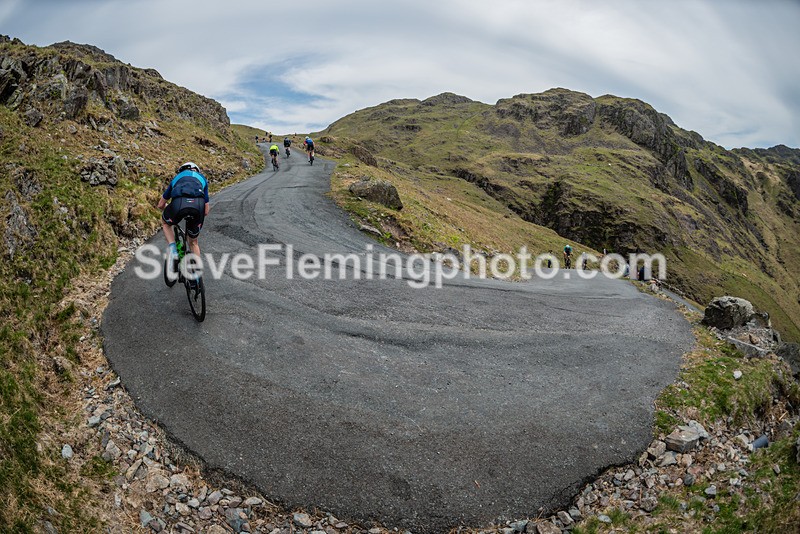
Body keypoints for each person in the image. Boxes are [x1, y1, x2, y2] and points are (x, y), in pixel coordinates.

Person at [158, 162, 209, 282]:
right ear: (197, 170)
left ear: (181, 170)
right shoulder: (202, 179)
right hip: (198, 206)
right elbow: (206, 211)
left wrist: (168, 209)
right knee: (193, 242)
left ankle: (173, 250)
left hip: (178, 204)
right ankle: (197, 277)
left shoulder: (177, 178)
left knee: (166, 223)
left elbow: (160, 204)